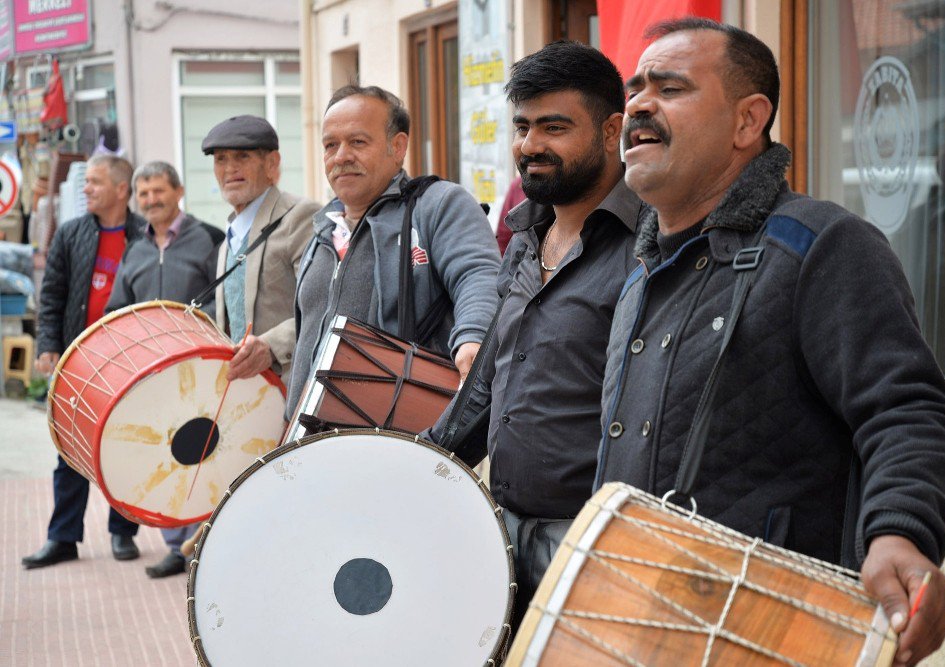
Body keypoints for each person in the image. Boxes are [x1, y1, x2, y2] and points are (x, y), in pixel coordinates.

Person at [597, 18, 945, 666]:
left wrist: (901, 533)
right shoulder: (638, 276)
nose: (640, 107)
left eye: (670, 87)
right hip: (642, 630)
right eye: (635, 90)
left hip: (776, 639)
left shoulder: (820, 245)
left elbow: (909, 413)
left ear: (747, 122)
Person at [427, 41, 645, 630]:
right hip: (502, 527)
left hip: (594, 545)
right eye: (522, 126)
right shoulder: (525, 235)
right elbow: (489, 379)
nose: (530, 145)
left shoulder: (651, 247)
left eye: (554, 126)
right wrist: (421, 464)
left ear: (611, 131)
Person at [284, 85, 500, 421]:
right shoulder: (324, 229)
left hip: (401, 439)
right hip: (311, 444)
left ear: (397, 147)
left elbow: (478, 275)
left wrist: (473, 337)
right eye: (330, 145)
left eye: (358, 142)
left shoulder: (437, 205)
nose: (341, 156)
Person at [23, 155, 145, 569]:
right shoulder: (71, 233)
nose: (85, 188)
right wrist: (47, 345)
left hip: (131, 363)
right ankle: (62, 538)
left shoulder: (144, 235)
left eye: (94, 182)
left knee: (127, 445)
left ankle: (122, 533)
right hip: (79, 362)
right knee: (70, 452)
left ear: (121, 189)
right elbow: (52, 295)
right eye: (86, 182)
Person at [105, 160, 225, 578]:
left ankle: (198, 543)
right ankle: (178, 544)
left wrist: (186, 324)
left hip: (197, 373)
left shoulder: (210, 239)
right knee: (162, 453)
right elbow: (116, 308)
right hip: (147, 377)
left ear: (178, 192)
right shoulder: (134, 248)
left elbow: (223, 300)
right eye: (144, 194)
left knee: (199, 452)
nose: (151, 200)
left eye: (159, 191)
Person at [201, 115, 320, 384]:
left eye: (242, 156)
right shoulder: (230, 233)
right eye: (220, 159)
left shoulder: (300, 216)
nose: (230, 168)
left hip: (293, 393)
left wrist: (271, 347)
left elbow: (323, 308)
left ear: (272, 164)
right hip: (247, 400)